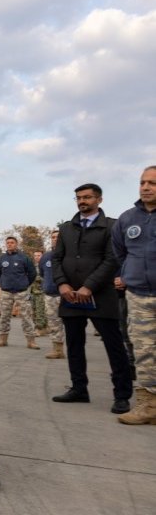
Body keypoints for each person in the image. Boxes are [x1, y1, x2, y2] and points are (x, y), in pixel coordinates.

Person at [51, 183, 132, 414]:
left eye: (87, 197)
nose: (82, 201)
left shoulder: (111, 226)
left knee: (114, 346)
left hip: (101, 296)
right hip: (70, 296)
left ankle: (122, 395)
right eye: (78, 198)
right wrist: (62, 283)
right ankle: (79, 389)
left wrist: (89, 286)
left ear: (99, 200)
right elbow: (57, 259)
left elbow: (112, 259)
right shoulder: (67, 228)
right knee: (75, 345)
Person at [112, 166, 156, 424]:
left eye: (152, 182)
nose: (146, 187)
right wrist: (129, 274)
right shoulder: (128, 219)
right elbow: (119, 252)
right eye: (142, 182)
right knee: (143, 351)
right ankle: (148, 405)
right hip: (138, 296)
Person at [0, 236, 39, 349]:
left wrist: (25, 284)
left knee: (26, 316)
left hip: (21, 292)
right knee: (4, 316)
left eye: (12, 242)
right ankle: (2, 339)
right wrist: (2, 283)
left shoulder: (24, 258)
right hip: (6, 292)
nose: (9, 244)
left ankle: (31, 341)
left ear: (16, 244)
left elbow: (32, 273)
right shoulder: (2, 259)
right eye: (8, 243)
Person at [40, 231, 65, 359]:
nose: (55, 239)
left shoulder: (68, 254)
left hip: (66, 296)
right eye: (53, 237)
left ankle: (75, 350)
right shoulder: (45, 257)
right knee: (53, 323)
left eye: (57, 237)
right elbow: (42, 273)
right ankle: (57, 350)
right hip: (50, 295)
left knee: (71, 324)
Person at [31, 250, 48, 336]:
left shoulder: (45, 266)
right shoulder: (32, 266)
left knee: (40, 311)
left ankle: (40, 329)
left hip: (41, 292)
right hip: (32, 292)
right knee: (33, 311)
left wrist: (37, 278)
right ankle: (44, 327)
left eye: (39, 255)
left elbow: (47, 278)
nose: (37, 257)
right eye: (35, 255)